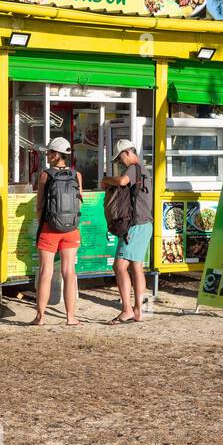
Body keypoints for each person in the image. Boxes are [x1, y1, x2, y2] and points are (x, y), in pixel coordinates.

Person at [100, 138, 153, 324]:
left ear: (128, 153)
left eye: (120, 157)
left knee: (119, 266)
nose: (120, 161)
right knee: (137, 267)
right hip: (145, 224)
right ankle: (138, 311)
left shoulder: (133, 168)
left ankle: (127, 310)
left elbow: (122, 181)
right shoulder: (145, 170)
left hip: (136, 226)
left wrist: (106, 180)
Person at [34, 137, 82, 326]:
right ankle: (71, 317)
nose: (47, 155)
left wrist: (42, 225)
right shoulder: (76, 175)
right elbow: (79, 201)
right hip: (72, 229)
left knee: (46, 271)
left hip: (50, 228)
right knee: (69, 271)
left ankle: (40, 317)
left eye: (49, 152)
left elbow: (39, 205)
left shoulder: (46, 175)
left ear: (56, 155)